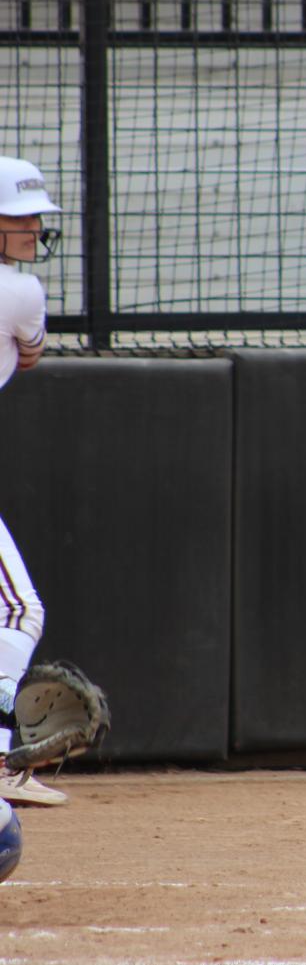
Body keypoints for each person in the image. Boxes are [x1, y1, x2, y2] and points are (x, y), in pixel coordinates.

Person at [0, 156, 66, 807]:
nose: (32, 228)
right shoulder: (20, 291)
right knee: (18, 610)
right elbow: (31, 352)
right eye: (19, 216)